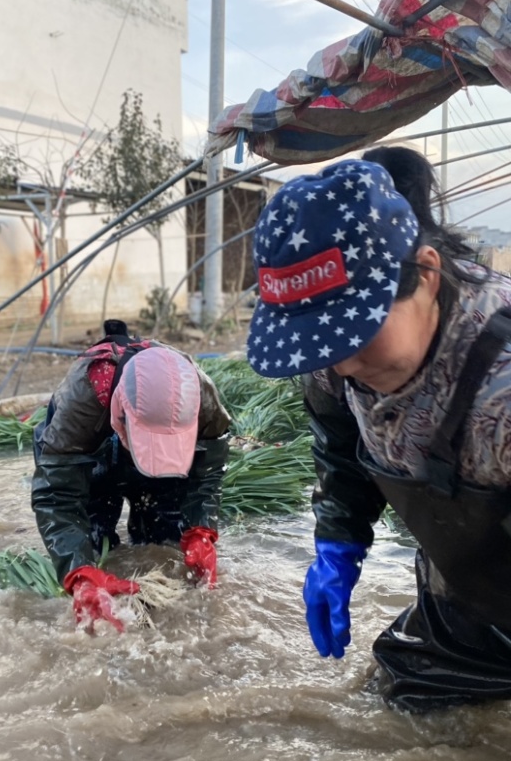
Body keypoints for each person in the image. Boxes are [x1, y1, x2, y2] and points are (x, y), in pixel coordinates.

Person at [246, 148, 511, 713]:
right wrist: (338, 543)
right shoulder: (330, 354)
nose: (341, 367)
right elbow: (341, 447)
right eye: (323, 342)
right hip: (460, 596)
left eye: (354, 335)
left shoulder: (502, 383)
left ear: (427, 273)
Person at [31, 320, 231, 632]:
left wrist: (201, 530)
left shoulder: (201, 394)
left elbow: (209, 469)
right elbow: (57, 496)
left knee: (163, 540)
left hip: (165, 465)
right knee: (95, 542)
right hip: (90, 458)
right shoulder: (81, 399)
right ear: (120, 412)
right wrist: (80, 574)